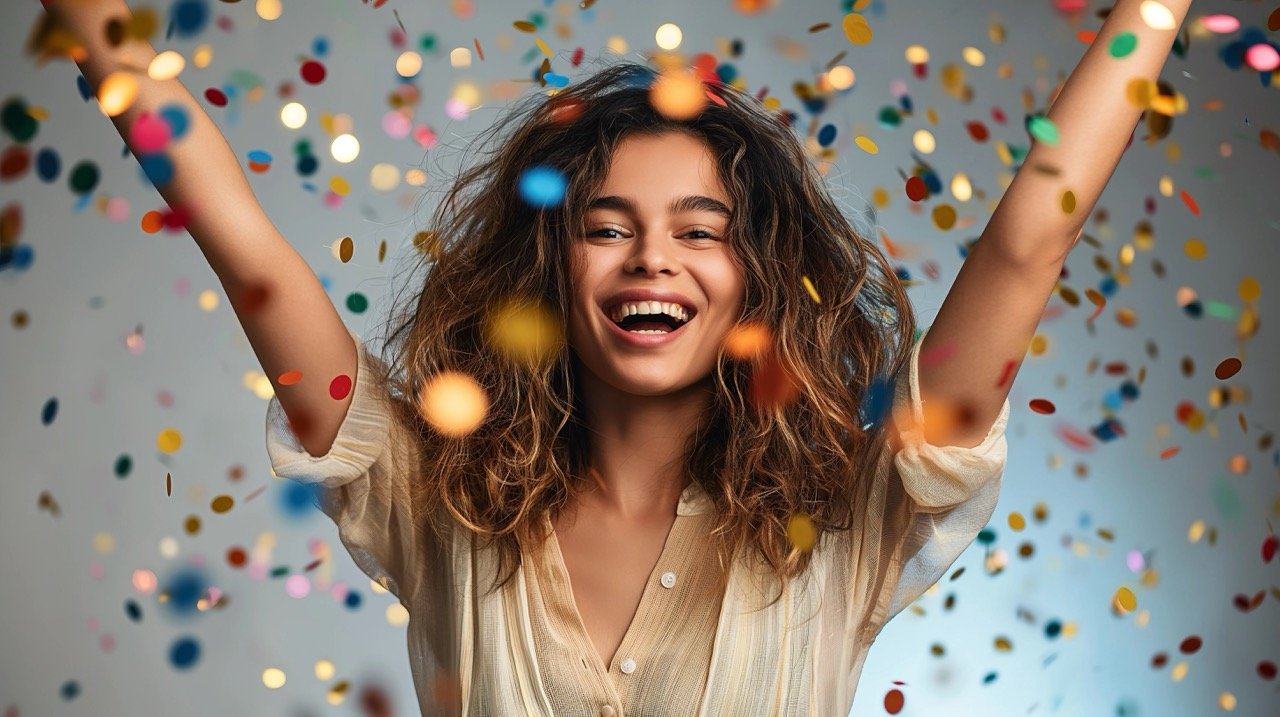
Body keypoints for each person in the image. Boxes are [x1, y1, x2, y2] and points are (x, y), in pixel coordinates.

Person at [37, 0, 1192, 714]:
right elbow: (256, 263)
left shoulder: (853, 507)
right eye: (604, 228)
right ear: (549, 270)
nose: (651, 262)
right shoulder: (425, 494)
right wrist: (114, 52)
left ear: (755, 276)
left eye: (700, 232)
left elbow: (1029, 239)